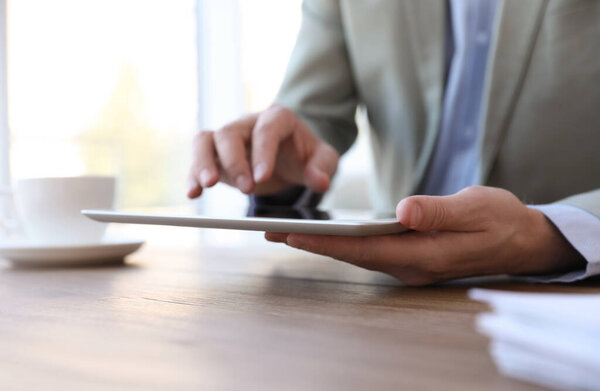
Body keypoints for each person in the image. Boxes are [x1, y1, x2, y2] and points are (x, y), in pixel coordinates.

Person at [187, 0, 600, 286]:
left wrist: (546, 236)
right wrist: (273, 160)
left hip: (566, 300)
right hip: (388, 297)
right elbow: (309, 116)